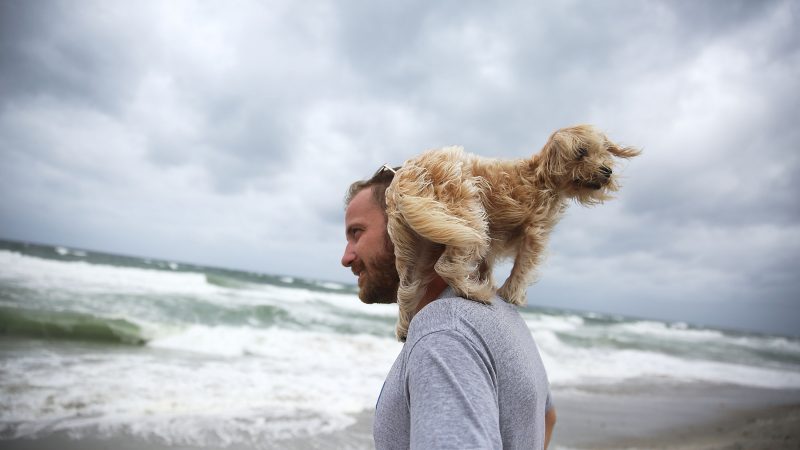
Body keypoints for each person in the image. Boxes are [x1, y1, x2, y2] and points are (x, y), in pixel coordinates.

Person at [342, 165, 556, 449]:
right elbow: (547, 419)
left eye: (357, 233)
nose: (346, 257)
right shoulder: (501, 312)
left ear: (408, 226)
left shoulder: (443, 331)